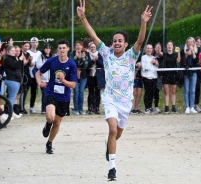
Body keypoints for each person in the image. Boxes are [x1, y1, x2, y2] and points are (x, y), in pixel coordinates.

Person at [77, 0, 153, 181]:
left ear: (126, 44)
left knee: (117, 134)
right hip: (110, 99)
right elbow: (93, 35)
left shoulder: (131, 55)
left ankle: (108, 145)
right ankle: (112, 168)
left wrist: (143, 22)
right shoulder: (106, 53)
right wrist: (83, 18)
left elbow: (141, 40)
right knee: (112, 130)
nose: (117, 43)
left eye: (120, 41)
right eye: (115, 41)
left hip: (125, 102)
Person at [36, 39, 77, 154]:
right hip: (51, 92)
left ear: (68, 49)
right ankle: (48, 125)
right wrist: (39, 83)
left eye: (64, 48)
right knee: (50, 116)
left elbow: (73, 85)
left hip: (64, 97)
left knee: (57, 122)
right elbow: (38, 73)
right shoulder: (52, 61)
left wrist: (63, 80)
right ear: (57, 50)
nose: (62, 50)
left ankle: (49, 143)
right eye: (60, 48)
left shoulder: (72, 64)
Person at [160, 41, 180, 114]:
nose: (169, 46)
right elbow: (160, 54)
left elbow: (178, 60)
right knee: (166, 91)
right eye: (168, 45)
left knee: (173, 91)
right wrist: (159, 49)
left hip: (173, 74)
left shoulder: (175, 54)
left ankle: (173, 107)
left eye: (171, 45)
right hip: (166, 74)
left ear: (173, 46)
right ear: (166, 46)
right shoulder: (164, 54)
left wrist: (178, 52)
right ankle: (166, 107)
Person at [70, 40, 89, 115]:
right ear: (75, 47)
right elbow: (72, 64)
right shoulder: (72, 54)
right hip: (74, 75)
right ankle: (76, 109)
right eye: (77, 45)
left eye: (80, 45)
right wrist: (76, 58)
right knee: (76, 92)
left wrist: (83, 59)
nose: (78, 47)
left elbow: (86, 65)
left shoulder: (85, 54)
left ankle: (81, 109)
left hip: (83, 75)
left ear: (82, 47)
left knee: (81, 92)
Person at [3, 46, 23, 118]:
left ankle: (12, 111)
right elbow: (15, 67)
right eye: (12, 50)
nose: (14, 52)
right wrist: (20, 60)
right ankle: (9, 113)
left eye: (14, 51)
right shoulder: (7, 59)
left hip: (15, 79)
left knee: (13, 97)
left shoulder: (13, 58)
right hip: (11, 79)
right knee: (11, 97)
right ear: (8, 51)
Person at [180, 37, 198, 114]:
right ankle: (187, 107)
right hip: (186, 72)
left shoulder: (197, 51)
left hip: (194, 72)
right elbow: (181, 62)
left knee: (193, 90)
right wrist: (186, 55)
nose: (190, 43)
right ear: (186, 43)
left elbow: (196, 61)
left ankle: (192, 107)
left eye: (191, 42)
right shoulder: (183, 51)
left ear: (194, 43)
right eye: (188, 42)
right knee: (186, 90)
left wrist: (193, 52)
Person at [35, 43, 52, 114]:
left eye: (49, 48)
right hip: (43, 79)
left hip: (51, 79)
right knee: (45, 95)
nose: (47, 49)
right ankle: (44, 109)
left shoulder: (53, 57)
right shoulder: (41, 56)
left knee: (51, 95)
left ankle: (50, 108)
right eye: (46, 48)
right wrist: (47, 65)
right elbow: (38, 66)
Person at [141, 44, 159, 114]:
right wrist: (151, 63)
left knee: (152, 93)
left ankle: (150, 107)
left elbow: (156, 68)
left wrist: (157, 64)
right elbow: (145, 68)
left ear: (152, 50)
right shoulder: (143, 57)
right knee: (147, 93)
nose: (149, 50)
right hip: (146, 77)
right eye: (148, 48)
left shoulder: (154, 57)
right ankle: (147, 107)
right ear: (145, 49)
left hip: (154, 77)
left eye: (150, 48)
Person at [87, 42, 104, 114]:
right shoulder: (87, 55)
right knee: (90, 92)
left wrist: (97, 60)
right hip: (90, 75)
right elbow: (87, 64)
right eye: (91, 47)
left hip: (98, 76)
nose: (93, 48)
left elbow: (102, 64)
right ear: (89, 48)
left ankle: (97, 107)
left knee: (97, 92)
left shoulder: (99, 54)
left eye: (94, 47)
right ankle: (90, 107)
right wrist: (93, 60)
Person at [28, 37, 42, 114]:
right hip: (28, 74)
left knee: (34, 92)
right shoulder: (28, 52)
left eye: (36, 42)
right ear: (31, 43)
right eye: (33, 42)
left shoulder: (39, 53)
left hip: (35, 75)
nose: (34, 43)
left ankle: (31, 106)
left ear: (38, 43)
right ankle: (21, 106)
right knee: (25, 91)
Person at [20, 41, 34, 115]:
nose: (27, 48)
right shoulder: (20, 53)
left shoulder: (28, 54)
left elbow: (30, 65)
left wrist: (31, 60)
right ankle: (21, 108)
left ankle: (22, 106)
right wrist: (28, 60)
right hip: (22, 74)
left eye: (28, 46)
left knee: (25, 91)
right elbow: (24, 63)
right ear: (22, 46)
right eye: (25, 46)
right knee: (23, 91)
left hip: (27, 73)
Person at [153, 43, 163, 113]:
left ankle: (156, 106)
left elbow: (162, 65)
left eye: (159, 48)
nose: (157, 49)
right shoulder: (151, 56)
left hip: (159, 76)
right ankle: (149, 107)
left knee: (157, 91)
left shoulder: (162, 56)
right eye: (156, 47)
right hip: (151, 75)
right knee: (151, 91)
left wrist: (158, 64)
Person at [194, 36, 201, 112]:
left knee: (198, 88)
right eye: (197, 42)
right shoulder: (193, 50)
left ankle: (196, 104)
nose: (198, 43)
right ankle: (192, 104)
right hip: (193, 71)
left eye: (200, 42)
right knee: (193, 88)